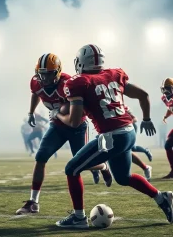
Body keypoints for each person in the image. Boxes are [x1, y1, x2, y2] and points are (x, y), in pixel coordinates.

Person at [54, 44, 173, 228]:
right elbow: (143, 95)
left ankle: (78, 218)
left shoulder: (78, 82)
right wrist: (147, 118)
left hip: (111, 136)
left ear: (80, 62)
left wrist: (59, 115)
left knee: (72, 169)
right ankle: (161, 197)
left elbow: (75, 122)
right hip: (128, 132)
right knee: (123, 178)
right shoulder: (114, 74)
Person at [15, 53, 111, 215]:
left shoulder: (68, 84)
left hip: (77, 126)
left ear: (58, 72)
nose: (44, 77)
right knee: (40, 157)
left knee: (81, 164)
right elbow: (36, 93)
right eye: (42, 73)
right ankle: (33, 202)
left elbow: (70, 113)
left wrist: (57, 112)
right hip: (57, 127)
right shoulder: (36, 82)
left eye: (48, 73)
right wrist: (31, 112)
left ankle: (103, 166)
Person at [160, 78, 173, 179]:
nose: (166, 91)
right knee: (168, 144)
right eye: (164, 89)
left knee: (168, 144)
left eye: (168, 88)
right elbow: (171, 109)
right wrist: (165, 116)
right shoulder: (165, 98)